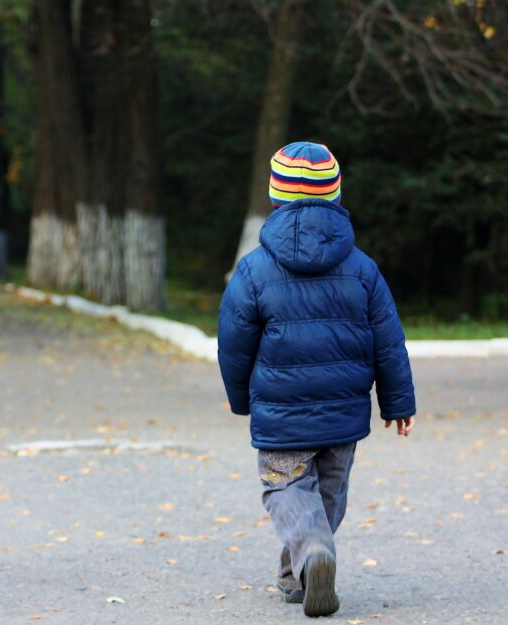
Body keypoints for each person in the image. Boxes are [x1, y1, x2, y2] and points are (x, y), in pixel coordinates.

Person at [217, 142, 416, 618]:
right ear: (336, 195)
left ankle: (311, 559)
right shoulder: (363, 268)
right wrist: (398, 402)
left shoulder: (254, 270)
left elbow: (233, 343)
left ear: (275, 197)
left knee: (287, 490)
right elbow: (388, 339)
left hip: (283, 413)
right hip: (343, 415)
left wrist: (240, 398)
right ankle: (300, 574)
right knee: (326, 500)